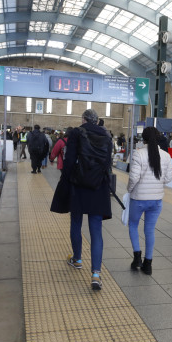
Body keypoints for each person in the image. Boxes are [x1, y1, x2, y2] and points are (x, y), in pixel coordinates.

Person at [50, 109, 113, 290]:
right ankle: (95, 274)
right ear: (96, 121)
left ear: (83, 119)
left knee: (76, 222)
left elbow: (69, 161)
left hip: (78, 185)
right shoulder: (107, 135)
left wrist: (67, 182)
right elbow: (108, 163)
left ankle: (77, 259)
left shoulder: (77, 132)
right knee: (96, 231)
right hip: (98, 186)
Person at [126, 126, 172, 275]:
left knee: (133, 225)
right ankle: (148, 264)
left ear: (143, 139)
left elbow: (134, 178)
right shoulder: (166, 156)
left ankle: (137, 257)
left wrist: (129, 190)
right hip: (156, 200)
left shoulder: (138, 154)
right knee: (150, 230)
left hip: (139, 199)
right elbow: (168, 179)